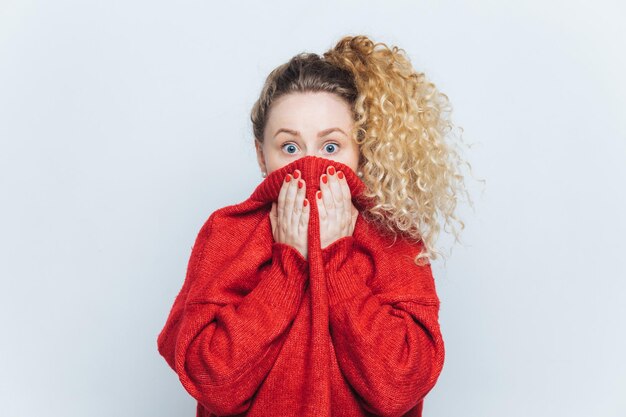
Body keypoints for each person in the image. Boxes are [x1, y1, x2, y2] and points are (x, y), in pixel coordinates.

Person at [157, 34, 472, 417]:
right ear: (262, 156)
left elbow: (396, 388)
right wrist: (288, 267)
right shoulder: (228, 233)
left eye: (330, 147)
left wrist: (336, 260)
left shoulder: (394, 239)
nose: (309, 164)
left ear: (360, 153)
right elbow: (214, 384)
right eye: (289, 147)